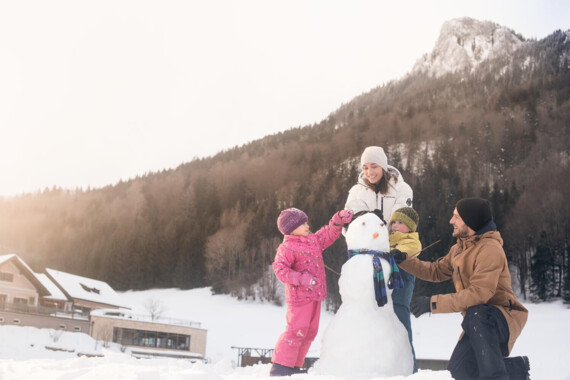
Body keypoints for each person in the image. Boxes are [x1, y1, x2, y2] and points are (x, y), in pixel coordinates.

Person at [392, 197, 530, 380]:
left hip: (501, 316)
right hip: (477, 319)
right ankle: (517, 369)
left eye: (456, 217)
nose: (451, 221)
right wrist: (404, 260)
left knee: (477, 312)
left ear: (470, 221)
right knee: (459, 369)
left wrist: (432, 303)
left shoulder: (490, 250)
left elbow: (479, 294)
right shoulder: (459, 248)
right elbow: (435, 271)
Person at [270, 207, 353, 377]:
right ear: (291, 228)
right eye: (303, 224)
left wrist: (338, 220)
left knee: (310, 331)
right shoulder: (287, 247)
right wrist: (301, 278)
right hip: (300, 297)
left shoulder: (312, 240)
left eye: (306, 222)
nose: (307, 226)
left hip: (315, 295)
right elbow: (280, 269)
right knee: (297, 329)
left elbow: (328, 234)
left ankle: (294, 365)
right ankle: (280, 366)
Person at [388, 206, 421, 373]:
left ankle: (411, 370)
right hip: (386, 284)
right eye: (394, 222)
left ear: (410, 227)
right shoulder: (387, 237)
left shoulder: (411, 239)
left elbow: (412, 249)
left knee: (401, 326)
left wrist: (400, 253)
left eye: (400, 222)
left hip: (402, 281)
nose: (395, 225)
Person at [345, 146, 413, 222]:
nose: (369, 172)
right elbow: (348, 226)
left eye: (374, 167)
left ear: (383, 167)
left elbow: (403, 223)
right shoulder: (356, 191)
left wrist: (381, 229)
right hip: (365, 234)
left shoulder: (402, 189)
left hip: (390, 234)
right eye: (365, 168)